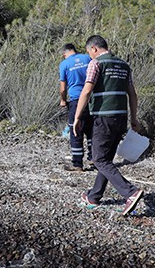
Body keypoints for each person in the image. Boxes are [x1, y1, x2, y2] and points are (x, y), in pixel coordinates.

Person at [73, 35, 144, 216]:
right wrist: (134, 118)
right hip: (121, 117)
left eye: (90, 52)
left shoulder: (96, 64)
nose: (90, 56)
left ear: (94, 49)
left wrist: (77, 116)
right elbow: (132, 95)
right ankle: (94, 196)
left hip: (103, 117)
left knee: (99, 159)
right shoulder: (124, 65)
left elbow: (87, 90)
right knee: (106, 159)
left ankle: (130, 192)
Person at [59, 43, 93, 171]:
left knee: (75, 129)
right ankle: (93, 158)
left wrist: (63, 100)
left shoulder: (64, 64)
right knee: (91, 129)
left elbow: (63, 87)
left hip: (76, 99)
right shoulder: (87, 58)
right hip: (91, 98)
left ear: (64, 53)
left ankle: (77, 163)